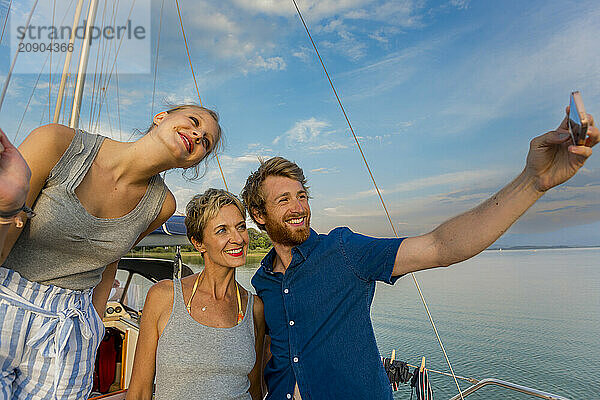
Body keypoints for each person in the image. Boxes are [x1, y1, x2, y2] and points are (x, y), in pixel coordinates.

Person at [240, 111, 598, 400]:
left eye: (301, 195)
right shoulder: (263, 281)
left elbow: (440, 246)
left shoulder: (344, 250)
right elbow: (271, 351)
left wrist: (532, 182)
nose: (298, 206)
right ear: (259, 215)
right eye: (283, 199)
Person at [0, 104, 222, 400]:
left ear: (191, 164)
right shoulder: (57, 143)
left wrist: (96, 322)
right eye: (194, 122)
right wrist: (6, 209)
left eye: (205, 141)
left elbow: (110, 259)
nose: (197, 134)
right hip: (6, 302)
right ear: (160, 118)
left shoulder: (161, 205)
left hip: (72, 327)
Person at [126, 188, 266, 400]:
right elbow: (140, 391)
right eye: (222, 230)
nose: (237, 238)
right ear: (198, 243)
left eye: (241, 227)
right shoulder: (163, 296)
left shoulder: (254, 307)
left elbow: (254, 390)